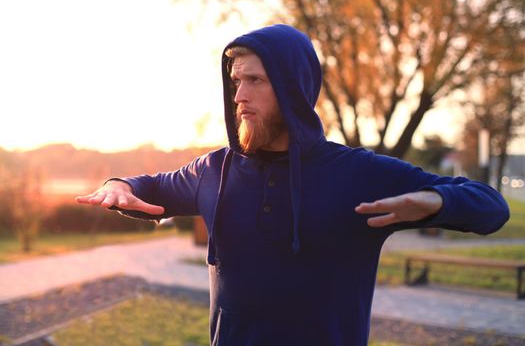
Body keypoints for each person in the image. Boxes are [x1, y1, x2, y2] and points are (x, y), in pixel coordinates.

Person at [76, 24, 510, 346]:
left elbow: (491, 207)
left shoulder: (357, 173)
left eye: (255, 81)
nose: (238, 96)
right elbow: (147, 187)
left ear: (293, 90)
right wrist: (119, 185)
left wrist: (435, 200)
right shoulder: (214, 170)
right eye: (236, 81)